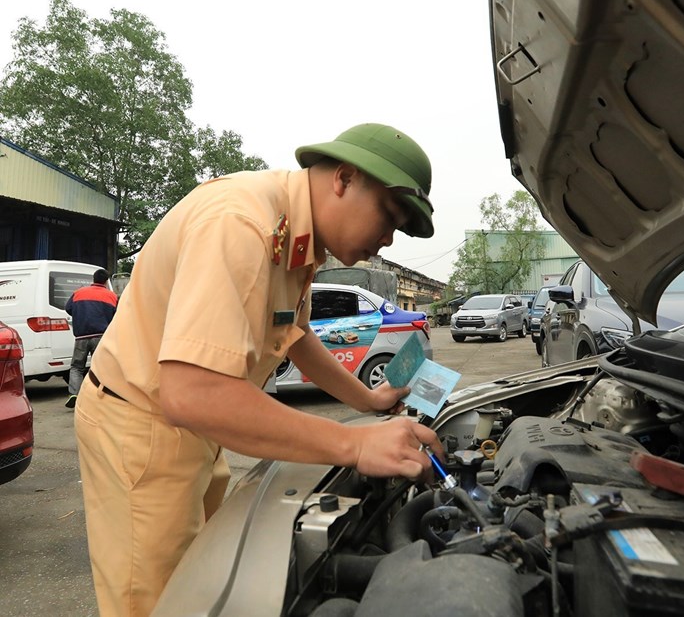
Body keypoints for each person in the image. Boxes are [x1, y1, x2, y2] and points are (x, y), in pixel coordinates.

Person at [74, 123, 444, 617]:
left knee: (204, 586)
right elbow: (193, 394)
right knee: (158, 602)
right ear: (345, 179)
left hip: (193, 433)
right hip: (139, 428)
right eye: (389, 217)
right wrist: (355, 445)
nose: (388, 240)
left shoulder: (297, 237)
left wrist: (368, 400)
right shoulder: (242, 222)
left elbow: (296, 334)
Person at [64, 268, 118, 409]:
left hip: (81, 336)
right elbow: (116, 316)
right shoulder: (111, 296)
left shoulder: (78, 293)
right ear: (106, 281)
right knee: (100, 366)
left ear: (93, 279)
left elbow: (68, 308)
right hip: (101, 336)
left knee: (76, 366)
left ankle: (74, 394)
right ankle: (100, 396)